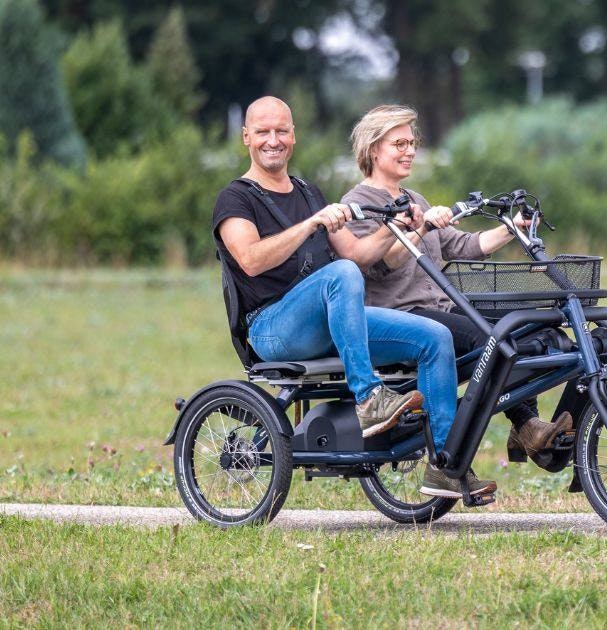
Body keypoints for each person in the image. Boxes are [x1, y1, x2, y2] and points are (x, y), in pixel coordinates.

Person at [211, 97, 491, 502]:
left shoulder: (310, 193)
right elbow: (251, 260)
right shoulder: (236, 198)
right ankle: (368, 397)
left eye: (282, 131)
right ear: (246, 137)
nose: (273, 140)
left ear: (294, 136)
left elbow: (359, 256)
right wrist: (311, 224)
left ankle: (445, 465)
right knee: (339, 275)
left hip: (331, 323)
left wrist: (396, 227)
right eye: (263, 132)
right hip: (272, 328)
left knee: (435, 337)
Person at [341, 105, 573, 482]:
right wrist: (418, 227)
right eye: (399, 143)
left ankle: (525, 424)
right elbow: (383, 263)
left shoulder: (415, 197)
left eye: (412, 143)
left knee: (523, 326)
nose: (409, 150)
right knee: (494, 339)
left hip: (440, 306)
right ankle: (502, 435)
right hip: (403, 315)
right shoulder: (361, 203)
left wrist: (511, 228)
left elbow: (463, 245)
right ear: (372, 150)